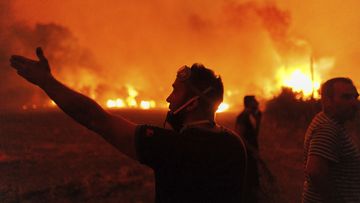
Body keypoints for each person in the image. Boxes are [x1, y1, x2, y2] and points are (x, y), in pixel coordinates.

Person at [10, 48, 248, 203]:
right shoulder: (234, 144)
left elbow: (95, 119)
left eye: (175, 90)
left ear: (193, 103)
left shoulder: (171, 147)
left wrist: (46, 82)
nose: (168, 98)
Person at [303, 77, 360, 203]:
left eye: (355, 97)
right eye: (346, 97)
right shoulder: (327, 127)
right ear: (327, 100)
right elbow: (315, 171)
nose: (354, 103)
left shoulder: (329, 122)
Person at [235, 95, 262, 202]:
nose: (257, 102)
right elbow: (239, 136)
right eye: (254, 101)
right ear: (249, 103)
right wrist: (252, 150)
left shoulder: (255, 115)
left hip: (252, 151)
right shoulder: (242, 117)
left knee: (254, 179)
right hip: (246, 153)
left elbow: (255, 134)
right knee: (249, 180)